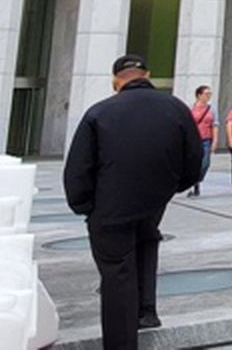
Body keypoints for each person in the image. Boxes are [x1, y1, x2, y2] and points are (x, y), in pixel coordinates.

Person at [64, 55, 202, 349]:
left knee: (117, 275)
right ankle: (146, 312)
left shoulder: (99, 113)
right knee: (146, 245)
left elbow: (78, 170)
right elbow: (194, 161)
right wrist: (170, 188)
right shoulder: (175, 108)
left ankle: (121, 343)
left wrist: (84, 206)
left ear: (115, 80)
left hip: (110, 208)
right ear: (147, 74)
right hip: (153, 202)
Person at [187, 86, 215, 197]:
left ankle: (196, 180)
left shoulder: (212, 109)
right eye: (206, 94)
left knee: (205, 163)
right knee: (194, 163)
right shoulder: (191, 108)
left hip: (206, 139)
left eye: (209, 94)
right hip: (193, 139)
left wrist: (215, 139)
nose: (208, 96)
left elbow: (215, 125)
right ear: (199, 95)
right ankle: (194, 184)